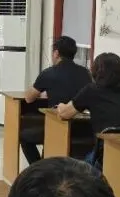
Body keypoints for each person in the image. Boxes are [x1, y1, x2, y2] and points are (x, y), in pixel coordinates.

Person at [57, 52, 120, 164]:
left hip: (105, 155)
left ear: (96, 72)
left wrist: (60, 106)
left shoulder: (92, 90)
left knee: (78, 166)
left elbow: (65, 113)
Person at [19, 36, 92, 164]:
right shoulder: (85, 73)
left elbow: (29, 98)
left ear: (56, 53)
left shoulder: (49, 73)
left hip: (58, 125)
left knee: (24, 137)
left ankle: (39, 167)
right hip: (84, 128)